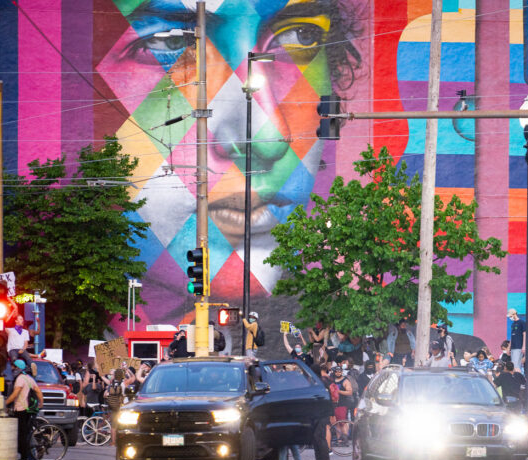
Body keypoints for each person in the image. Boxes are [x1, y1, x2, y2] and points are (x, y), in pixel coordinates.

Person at [103, 1, 363, 335]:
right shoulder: (98, 364)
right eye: (170, 41)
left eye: (300, 35)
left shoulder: (299, 357)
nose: (268, 138)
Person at [6, 359, 43, 460]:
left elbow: (15, 394)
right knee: (25, 433)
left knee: (21, 434)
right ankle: (27, 455)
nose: (12, 369)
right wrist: (41, 403)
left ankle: (24, 458)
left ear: (18, 368)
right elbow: (38, 391)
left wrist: (5, 403)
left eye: (14, 367)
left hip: (21, 409)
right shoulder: (29, 378)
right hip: (29, 409)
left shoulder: (20, 379)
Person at [310, 364, 333, 460]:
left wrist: (330, 413)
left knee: (320, 436)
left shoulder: (321, 382)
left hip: (322, 413)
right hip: (317, 412)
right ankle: (318, 459)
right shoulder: (317, 381)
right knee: (315, 437)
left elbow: (327, 399)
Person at [507, 309, 525, 373]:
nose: (510, 318)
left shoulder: (521, 322)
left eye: (510, 316)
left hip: (518, 346)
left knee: (516, 365)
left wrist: (523, 346)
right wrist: (509, 347)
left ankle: (518, 380)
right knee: (513, 364)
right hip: (513, 347)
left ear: (514, 314)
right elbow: (512, 336)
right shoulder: (513, 324)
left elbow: (524, 334)